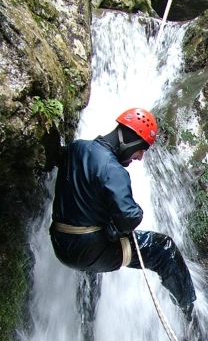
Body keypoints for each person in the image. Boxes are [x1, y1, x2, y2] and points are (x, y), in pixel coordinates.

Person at [49, 107, 197, 319]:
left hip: (62, 245)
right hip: (90, 249)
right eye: (141, 149)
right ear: (131, 140)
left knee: (92, 269)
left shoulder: (75, 149)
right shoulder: (112, 169)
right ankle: (190, 315)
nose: (139, 157)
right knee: (164, 249)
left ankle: (86, 323)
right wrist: (122, 223)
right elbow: (129, 216)